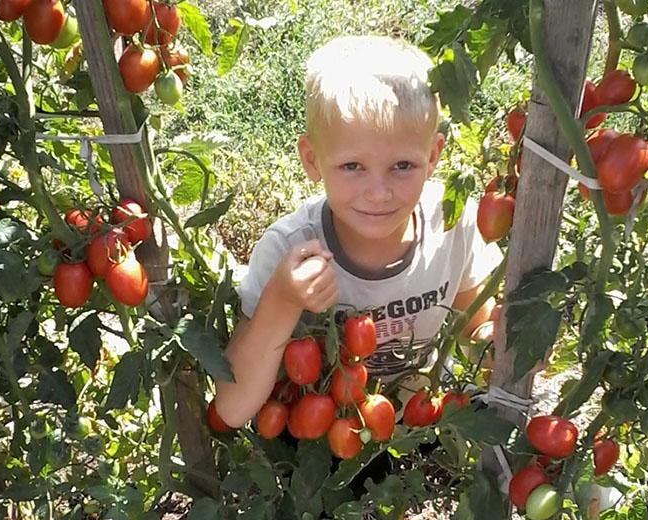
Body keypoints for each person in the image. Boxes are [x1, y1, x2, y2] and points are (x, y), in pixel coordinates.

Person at [214, 35, 503, 428]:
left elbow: (474, 327)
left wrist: (501, 346)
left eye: (402, 165)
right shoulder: (290, 250)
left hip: (421, 425)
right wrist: (282, 299)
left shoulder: (454, 225)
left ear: (433, 156)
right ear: (312, 161)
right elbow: (232, 409)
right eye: (352, 166)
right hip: (318, 443)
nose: (379, 192)